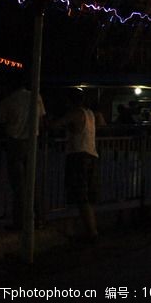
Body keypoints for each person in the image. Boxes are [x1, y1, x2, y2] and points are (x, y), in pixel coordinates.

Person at [0, 74, 45, 230]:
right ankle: (38, 218)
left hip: (15, 143)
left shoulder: (8, 100)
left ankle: (20, 222)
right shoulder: (36, 97)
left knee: (19, 186)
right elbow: (42, 120)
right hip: (33, 142)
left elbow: (2, 122)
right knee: (32, 182)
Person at [51, 89, 99, 242]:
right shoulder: (90, 113)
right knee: (86, 196)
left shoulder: (74, 113)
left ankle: (91, 232)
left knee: (80, 195)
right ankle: (86, 229)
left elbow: (54, 125)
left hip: (79, 156)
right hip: (91, 155)